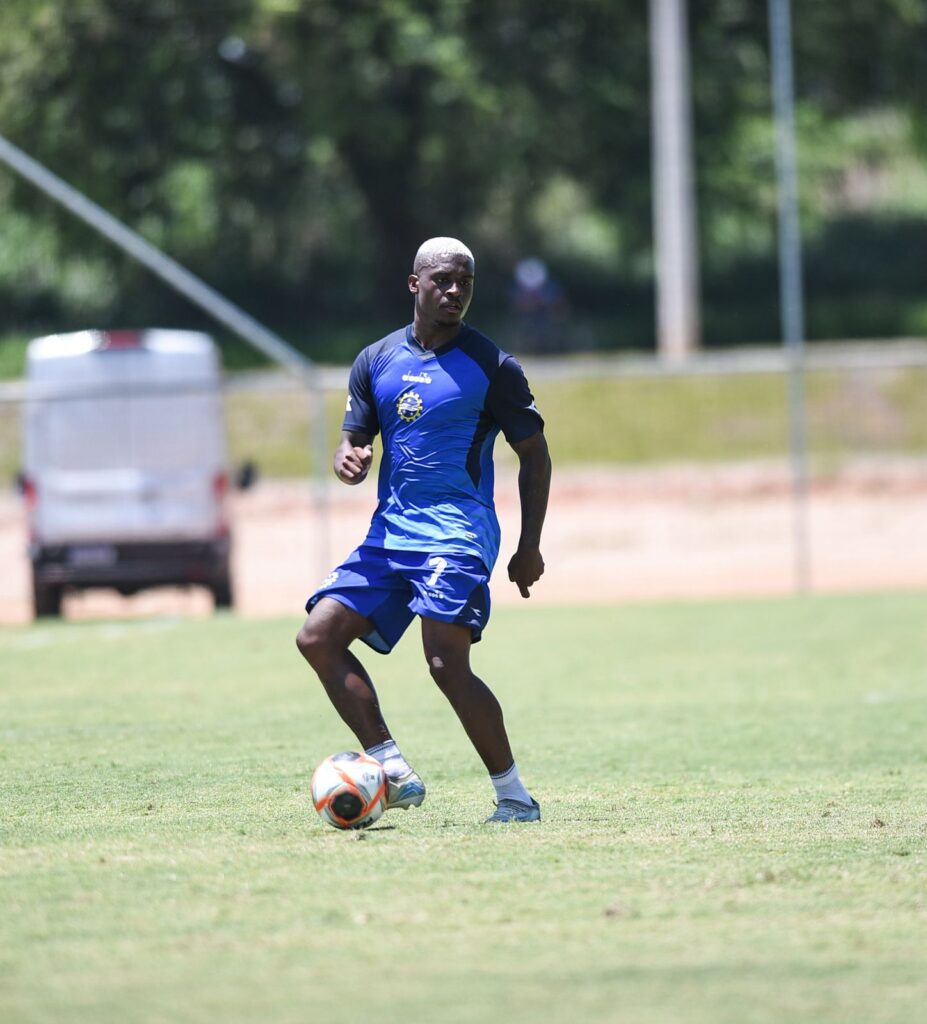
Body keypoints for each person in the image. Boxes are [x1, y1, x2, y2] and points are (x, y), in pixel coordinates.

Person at [296, 236, 551, 824]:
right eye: (442, 280)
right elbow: (353, 439)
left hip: (458, 532)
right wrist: (347, 458)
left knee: (444, 661)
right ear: (415, 284)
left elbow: (535, 456)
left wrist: (529, 546)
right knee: (317, 637)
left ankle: (515, 798)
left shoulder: (494, 366)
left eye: (465, 282)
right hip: (390, 533)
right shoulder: (375, 359)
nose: (455, 291)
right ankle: (390, 767)